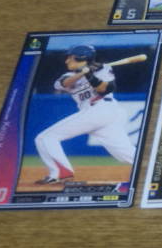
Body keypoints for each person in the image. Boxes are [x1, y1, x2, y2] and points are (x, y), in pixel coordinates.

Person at [34, 45, 134, 184]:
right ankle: (149, 164)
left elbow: (105, 89)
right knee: (125, 153)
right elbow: (63, 84)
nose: (67, 61)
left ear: (81, 57)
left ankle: (61, 173)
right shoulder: (67, 76)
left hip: (102, 108)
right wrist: (82, 73)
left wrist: (89, 75)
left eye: (70, 57)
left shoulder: (103, 70)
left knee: (45, 138)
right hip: (97, 114)